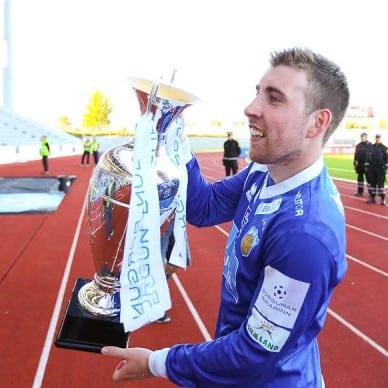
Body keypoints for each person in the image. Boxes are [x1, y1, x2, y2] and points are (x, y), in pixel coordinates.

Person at [101, 47, 350, 387]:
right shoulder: (263, 171)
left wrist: (157, 362)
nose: (251, 108)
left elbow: (253, 356)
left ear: (316, 123)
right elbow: (204, 207)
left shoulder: (305, 237)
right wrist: (174, 132)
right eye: (257, 93)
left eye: (274, 99)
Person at [365, 134, 387, 206]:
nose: (377, 139)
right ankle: (372, 198)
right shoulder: (371, 147)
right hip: (372, 168)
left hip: (380, 169)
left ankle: (383, 199)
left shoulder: (384, 148)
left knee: (381, 185)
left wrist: (385, 167)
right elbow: (368, 157)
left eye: (379, 138)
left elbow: (387, 159)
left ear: (381, 139)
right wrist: (367, 166)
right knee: (372, 184)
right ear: (375, 139)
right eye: (376, 138)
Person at [353, 132, 371, 196]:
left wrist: (370, 163)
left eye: (364, 137)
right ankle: (360, 192)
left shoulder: (370, 145)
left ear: (366, 137)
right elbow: (355, 154)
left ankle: (371, 193)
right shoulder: (358, 145)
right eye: (362, 137)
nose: (363, 138)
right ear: (361, 138)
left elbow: (372, 155)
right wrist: (354, 163)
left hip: (367, 164)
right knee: (360, 179)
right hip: (360, 164)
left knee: (369, 179)